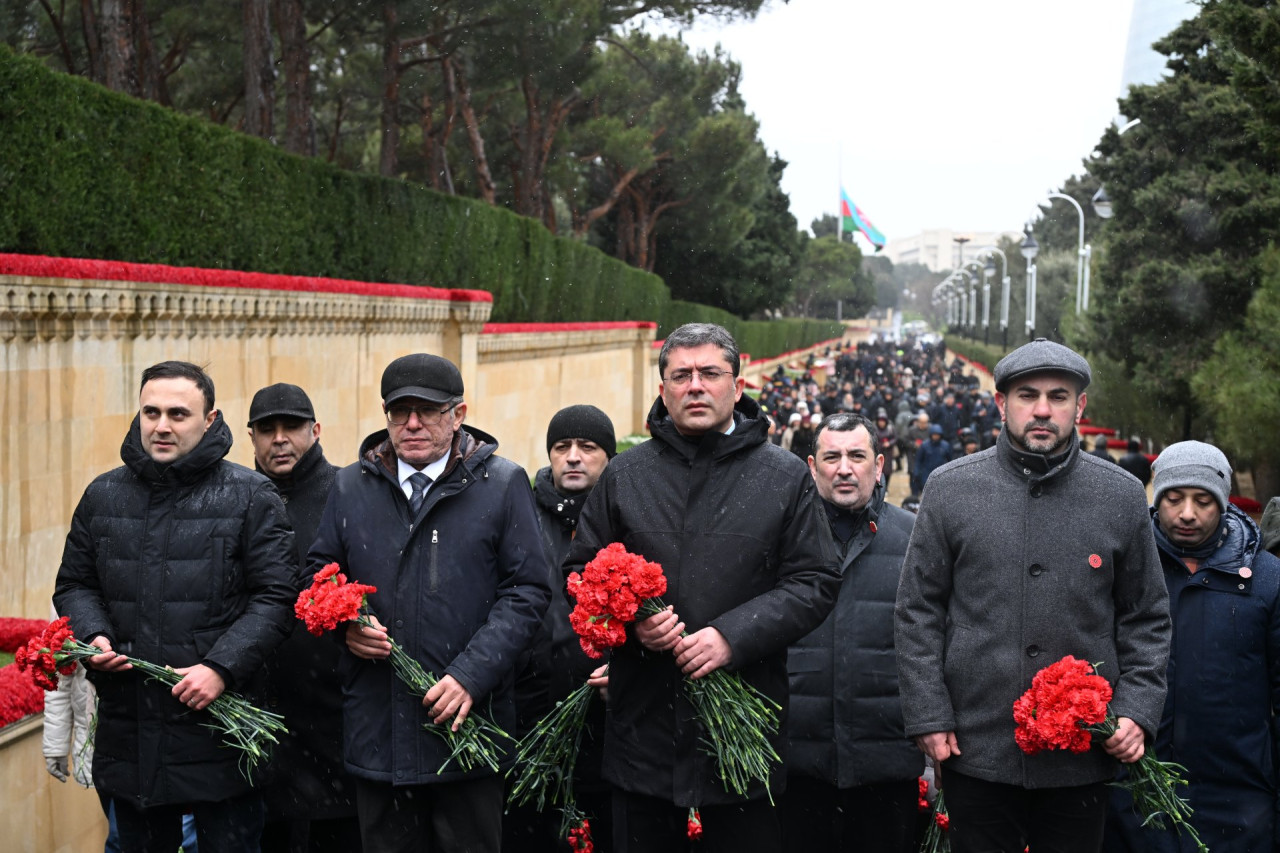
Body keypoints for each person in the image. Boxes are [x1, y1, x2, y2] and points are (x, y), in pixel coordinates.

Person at [563, 323, 840, 853]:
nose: (695, 386)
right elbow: (578, 574)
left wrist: (732, 637)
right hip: (643, 730)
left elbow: (816, 581)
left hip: (744, 736)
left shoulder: (783, 476)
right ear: (662, 389)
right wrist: (633, 624)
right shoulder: (625, 475)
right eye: (680, 375)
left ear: (737, 386)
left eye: (710, 373)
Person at [895, 338, 1171, 853]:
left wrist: (1136, 710)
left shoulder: (1121, 495)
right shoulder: (952, 488)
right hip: (975, 745)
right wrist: (928, 714)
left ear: (1080, 407)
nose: (1042, 409)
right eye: (1027, 395)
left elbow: (1146, 617)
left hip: (1083, 752)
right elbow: (918, 610)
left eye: (1058, 396)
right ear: (1001, 403)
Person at [305, 353, 551, 853]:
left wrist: (470, 676)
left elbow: (527, 591)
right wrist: (344, 625)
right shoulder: (351, 486)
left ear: (458, 414)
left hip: (467, 727)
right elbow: (318, 574)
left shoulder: (502, 484)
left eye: (428, 411)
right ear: (385, 414)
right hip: (381, 729)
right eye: (400, 412)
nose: (412, 424)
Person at [53, 360, 297, 852]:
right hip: (131, 733)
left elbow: (276, 598)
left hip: (222, 737)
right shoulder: (103, 495)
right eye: (151, 412)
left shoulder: (251, 496)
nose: (161, 425)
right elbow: (75, 583)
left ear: (210, 421)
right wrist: (93, 634)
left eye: (178, 414)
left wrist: (219, 669)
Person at [1104, 441, 1280, 853]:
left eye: (1203, 500)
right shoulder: (1121, 568)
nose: (1186, 513)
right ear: (1155, 497)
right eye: (1173, 498)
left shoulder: (1268, 580)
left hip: (1239, 802)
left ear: (1222, 502)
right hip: (1135, 796)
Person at [782, 413, 923, 853]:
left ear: (879, 465)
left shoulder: (915, 537)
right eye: (832, 457)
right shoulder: (781, 537)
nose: (844, 468)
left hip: (887, 766)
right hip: (798, 768)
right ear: (811, 466)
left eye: (857, 456)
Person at [247, 383, 361, 853]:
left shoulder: (351, 492)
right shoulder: (238, 497)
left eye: (291, 427)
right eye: (266, 429)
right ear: (250, 437)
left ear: (314, 431)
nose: (279, 439)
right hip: (259, 719)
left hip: (338, 717)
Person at [509, 404, 617, 852]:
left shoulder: (626, 514)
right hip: (530, 713)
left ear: (608, 457)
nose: (573, 456)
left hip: (608, 714)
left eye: (587, 447)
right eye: (562, 447)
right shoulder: (518, 515)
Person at [912, 424, 950, 495]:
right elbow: (918, 460)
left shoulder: (945, 446)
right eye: (934, 434)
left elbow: (950, 460)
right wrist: (916, 472)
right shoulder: (924, 445)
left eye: (937, 435)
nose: (936, 436)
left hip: (941, 472)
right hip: (926, 473)